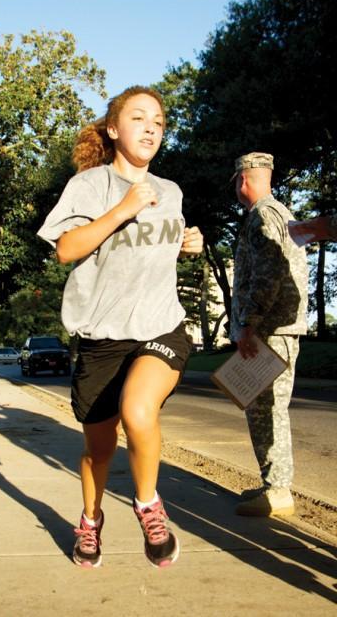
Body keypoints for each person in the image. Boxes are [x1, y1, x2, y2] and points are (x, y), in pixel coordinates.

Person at [37, 85, 203, 569]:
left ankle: (148, 504)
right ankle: (90, 519)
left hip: (160, 325)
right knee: (98, 452)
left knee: (138, 409)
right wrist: (122, 209)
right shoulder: (90, 186)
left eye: (158, 121)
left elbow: (156, 252)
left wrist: (186, 243)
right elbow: (66, 250)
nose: (151, 126)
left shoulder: (170, 192)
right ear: (113, 129)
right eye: (138, 118)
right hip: (102, 336)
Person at [230, 152, 308, 517]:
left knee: (266, 412)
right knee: (271, 410)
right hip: (277, 330)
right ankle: (274, 484)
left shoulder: (262, 215)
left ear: (243, 180)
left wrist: (248, 323)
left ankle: (277, 491)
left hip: (267, 331)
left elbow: (268, 272)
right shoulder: (283, 213)